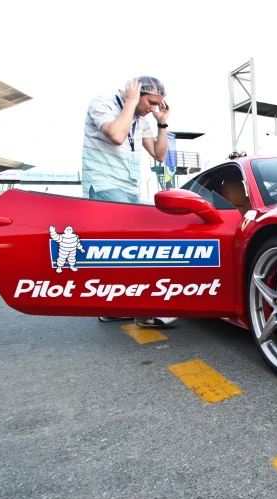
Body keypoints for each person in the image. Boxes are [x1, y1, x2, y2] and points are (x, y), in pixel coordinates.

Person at [82, 76, 177, 328]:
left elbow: (159, 154)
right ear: (134, 93)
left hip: (130, 188)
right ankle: (143, 312)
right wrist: (131, 102)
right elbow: (115, 135)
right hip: (105, 184)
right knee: (131, 247)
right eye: (151, 102)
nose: (154, 109)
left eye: (159, 104)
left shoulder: (143, 119)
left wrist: (162, 125)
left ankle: (112, 308)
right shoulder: (102, 103)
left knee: (125, 249)